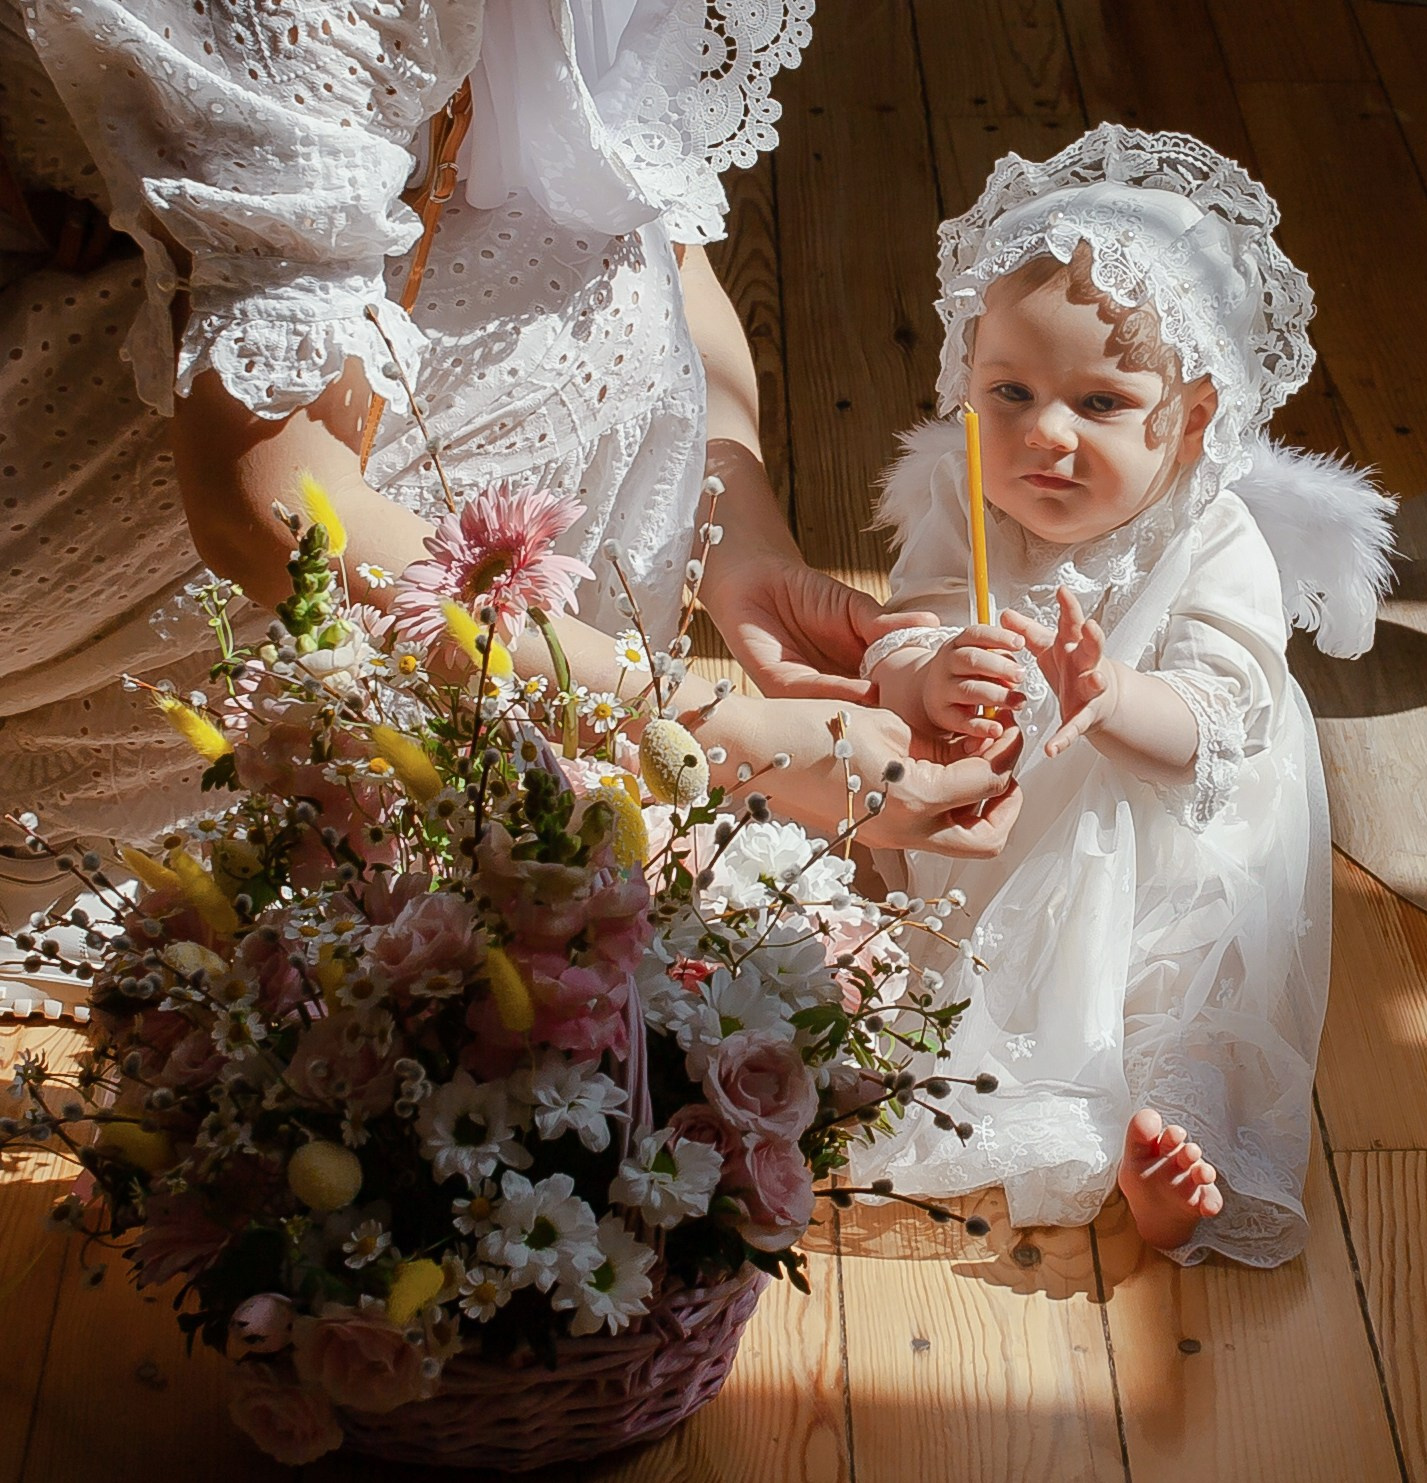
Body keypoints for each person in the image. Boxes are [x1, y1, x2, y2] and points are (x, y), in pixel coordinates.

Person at [0, 0, 1018, 931]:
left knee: (591, 287)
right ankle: (91, 811)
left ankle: (441, 781)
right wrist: (732, 737)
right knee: (542, 339)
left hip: (274, 460)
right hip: (109, 469)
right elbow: (276, 513)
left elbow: (648, 225)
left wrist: (741, 544)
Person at [846, 125, 1395, 1265]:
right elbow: (910, 620)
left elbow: (1218, 724)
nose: (1041, 433)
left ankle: (1171, 1137)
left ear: (1189, 421)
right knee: (923, 956)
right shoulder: (966, 497)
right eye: (1008, 391)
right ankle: (925, 1038)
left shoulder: (1214, 536)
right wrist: (929, 666)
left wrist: (1110, 694)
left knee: (1179, 979)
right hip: (998, 818)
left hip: (1163, 831)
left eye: (1098, 402)